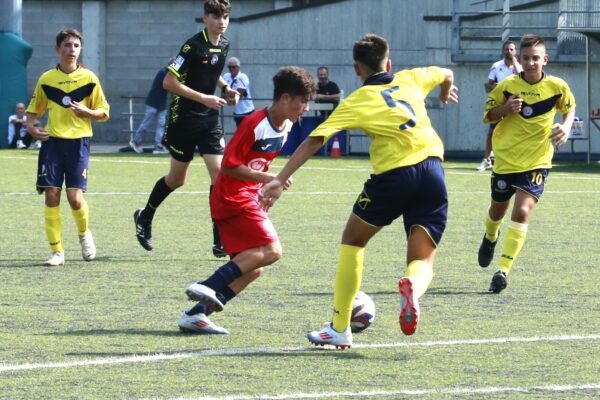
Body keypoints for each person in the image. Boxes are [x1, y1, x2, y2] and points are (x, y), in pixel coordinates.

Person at [260, 34, 459, 348]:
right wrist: (446, 93)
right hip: (433, 170)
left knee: (353, 240)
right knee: (422, 258)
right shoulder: (412, 78)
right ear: (389, 62)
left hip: (395, 175)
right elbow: (446, 73)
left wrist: (280, 178)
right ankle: (413, 288)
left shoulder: (357, 100)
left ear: (357, 69)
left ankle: (339, 327)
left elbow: (315, 139)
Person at [178, 66, 316, 334]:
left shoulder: (285, 126)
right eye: (303, 101)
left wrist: (266, 190)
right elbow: (228, 167)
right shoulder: (255, 123)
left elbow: (259, 167)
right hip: (231, 197)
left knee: (253, 268)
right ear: (286, 98)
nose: (306, 109)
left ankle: (196, 314)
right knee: (273, 251)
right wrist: (270, 180)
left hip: (245, 197)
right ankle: (208, 284)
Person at [133, 0, 239, 258]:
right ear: (205, 18)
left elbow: (214, 72)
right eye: (216, 16)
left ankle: (219, 239)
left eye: (224, 16)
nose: (221, 21)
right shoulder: (192, 46)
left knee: (220, 177)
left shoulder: (224, 43)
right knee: (177, 179)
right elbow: (169, 82)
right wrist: (203, 98)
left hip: (209, 119)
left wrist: (225, 89)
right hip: (184, 118)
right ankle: (144, 216)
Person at [478, 34, 575, 293]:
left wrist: (565, 127)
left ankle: (503, 270)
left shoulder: (557, 86)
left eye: (536, 58)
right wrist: (505, 109)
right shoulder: (507, 85)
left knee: (521, 211)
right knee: (497, 211)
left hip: (537, 161)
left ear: (545, 59)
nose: (531, 63)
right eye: (526, 58)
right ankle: (490, 236)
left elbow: (569, 107)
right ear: (519, 60)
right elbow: (488, 115)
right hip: (506, 160)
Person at [26, 28, 110, 266]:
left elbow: (104, 113)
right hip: (52, 143)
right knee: (51, 194)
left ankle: (84, 235)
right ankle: (57, 252)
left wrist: (87, 112)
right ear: (58, 49)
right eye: (67, 45)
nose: (71, 50)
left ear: (80, 49)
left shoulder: (89, 79)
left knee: (74, 198)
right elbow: (33, 112)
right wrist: (32, 128)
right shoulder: (46, 79)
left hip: (79, 143)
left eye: (75, 46)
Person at [477, 40, 522, 171]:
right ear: (503, 51)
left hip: (516, 104)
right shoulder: (496, 66)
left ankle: (515, 160)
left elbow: (523, 79)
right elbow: (488, 85)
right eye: (507, 49)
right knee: (492, 132)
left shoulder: (520, 66)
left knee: (516, 131)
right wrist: (498, 87)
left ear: (516, 51)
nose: (509, 52)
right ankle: (487, 160)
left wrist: (516, 64)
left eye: (512, 49)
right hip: (500, 105)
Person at [129, 63, 170, 155]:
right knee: (146, 123)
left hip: (161, 103)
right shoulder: (163, 72)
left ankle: (158, 146)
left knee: (161, 125)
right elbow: (168, 85)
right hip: (153, 102)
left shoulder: (168, 73)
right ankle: (136, 141)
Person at [223, 57, 255, 127]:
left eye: (234, 67)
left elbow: (237, 96)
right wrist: (228, 98)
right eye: (230, 67)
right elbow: (223, 94)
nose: (231, 69)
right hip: (237, 112)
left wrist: (228, 98)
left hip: (247, 112)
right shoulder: (226, 76)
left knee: (249, 134)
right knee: (240, 134)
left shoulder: (243, 77)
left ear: (238, 67)